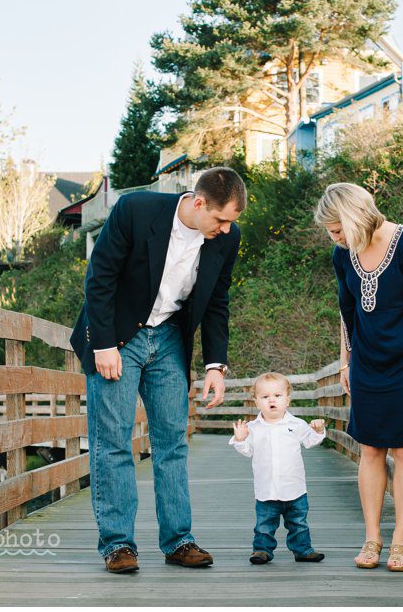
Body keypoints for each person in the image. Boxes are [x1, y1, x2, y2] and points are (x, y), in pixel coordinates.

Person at [69, 167, 246, 574]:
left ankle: (178, 541)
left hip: (168, 337)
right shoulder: (136, 210)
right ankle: (118, 545)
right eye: (220, 219)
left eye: (231, 222)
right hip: (118, 334)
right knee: (113, 441)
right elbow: (100, 279)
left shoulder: (227, 237)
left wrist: (215, 365)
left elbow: (217, 300)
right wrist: (103, 344)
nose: (225, 229)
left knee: (172, 442)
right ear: (198, 203)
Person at [314, 182, 403, 572]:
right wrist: (345, 363)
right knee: (370, 448)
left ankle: (401, 540)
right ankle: (372, 538)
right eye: (331, 233)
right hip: (367, 365)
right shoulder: (343, 257)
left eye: (338, 230)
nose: (335, 238)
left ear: (354, 216)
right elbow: (346, 314)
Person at [228, 372, 327, 565]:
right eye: (265, 397)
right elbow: (247, 451)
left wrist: (317, 430)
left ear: (287, 400)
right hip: (266, 490)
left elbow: (310, 441)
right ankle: (262, 551)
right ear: (257, 402)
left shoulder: (296, 424)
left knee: (298, 523)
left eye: (277, 396)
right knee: (264, 525)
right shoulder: (253, 428)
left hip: (294, 489)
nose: (271, 400)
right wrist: (240, 439)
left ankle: (303, 550)